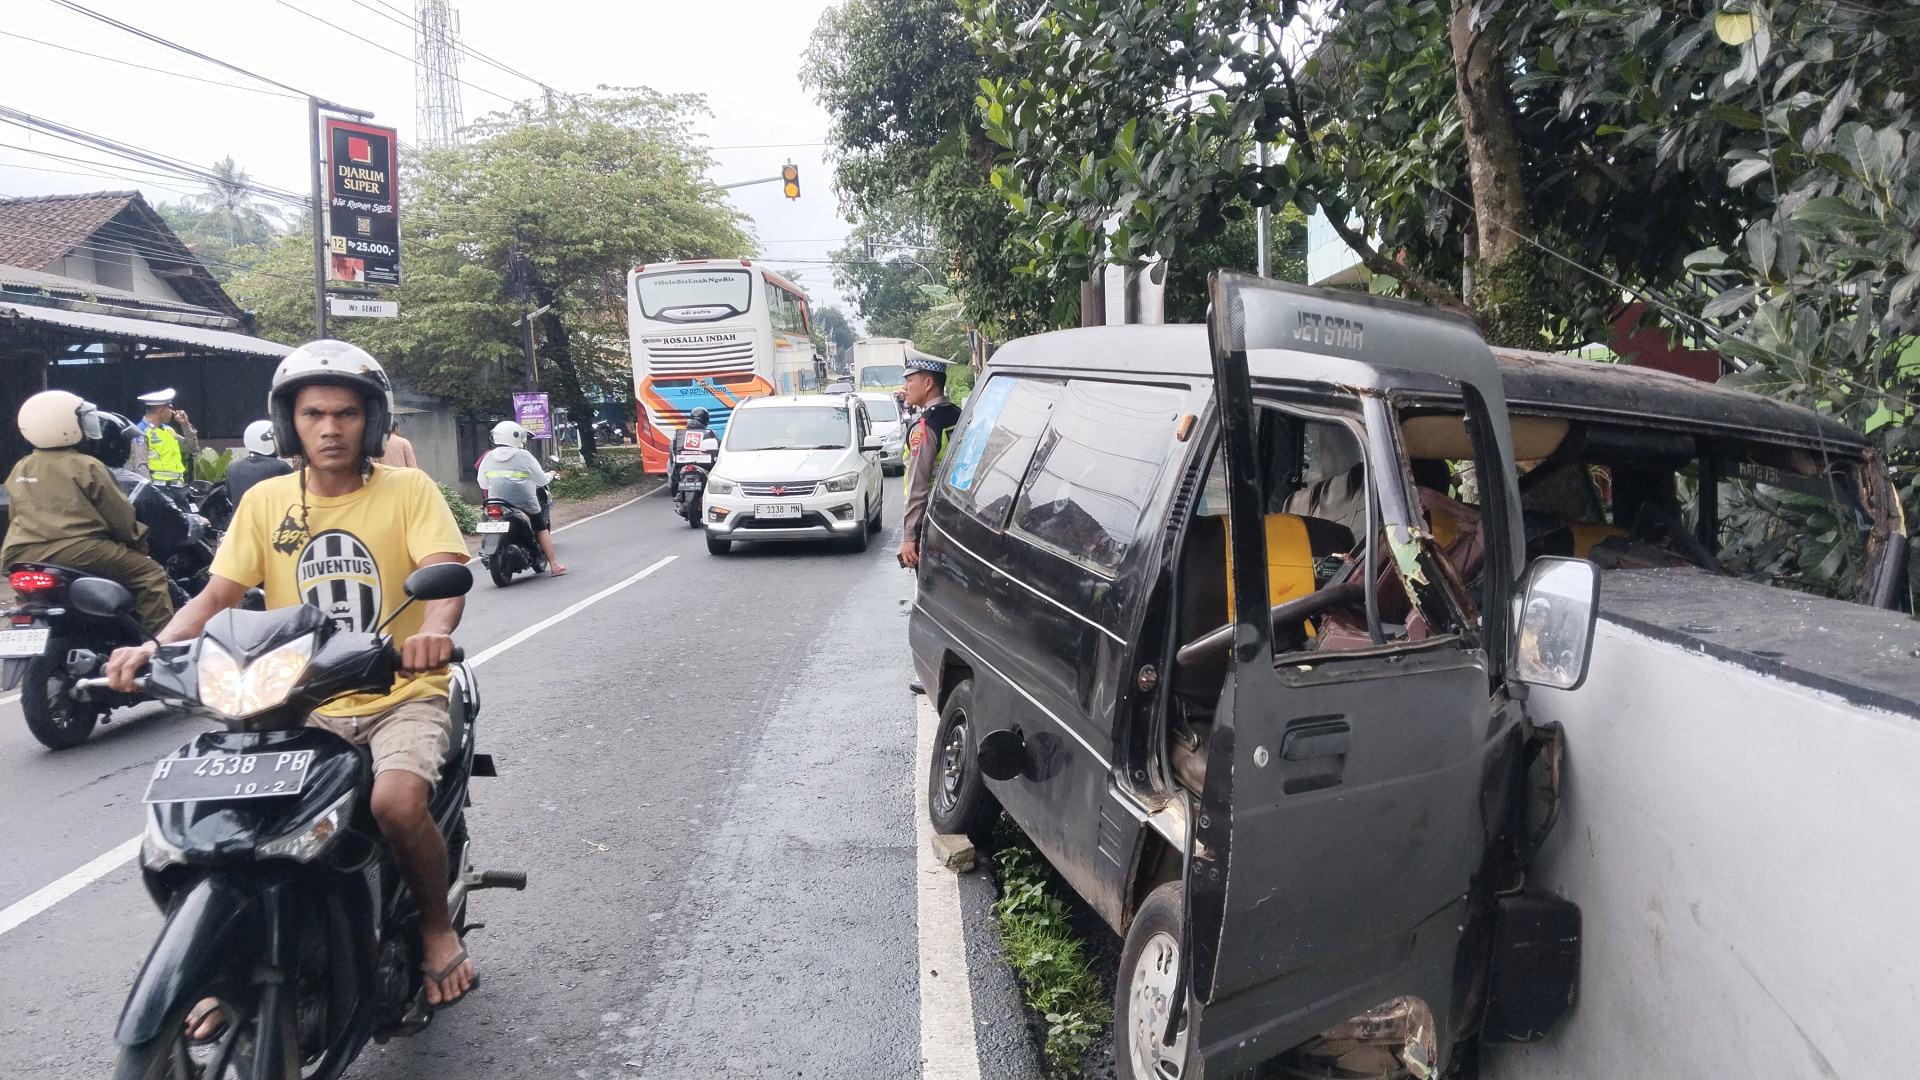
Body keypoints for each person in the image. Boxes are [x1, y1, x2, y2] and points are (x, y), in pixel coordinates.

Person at [104, 340, 477, 1011]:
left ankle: (435, 926)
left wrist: (433, 633)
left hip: (399, 692)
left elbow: (444, 570)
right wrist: (152, 647)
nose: (330, 428)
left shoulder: (408, 489)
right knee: (223, 818)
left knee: (395, 803)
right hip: (295, 697)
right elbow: (217, 596)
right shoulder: (266, 500)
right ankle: (218, 957)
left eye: (345, 413)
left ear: (371, 420)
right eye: (313, 415)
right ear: (290, 423)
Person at [2, 391, 174, 634]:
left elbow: (16, 514)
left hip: (20, 554)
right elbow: (120, 516)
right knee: (151, 575)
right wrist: (137, 541)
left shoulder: (22, 466)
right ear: (66, 426)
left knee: (30, 601)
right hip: (80, 551)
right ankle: (162, 647)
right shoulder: (87, 464)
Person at [897, 355, 962, 571]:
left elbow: (918, 486)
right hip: (958, 518)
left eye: (909, 380)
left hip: (932, 522)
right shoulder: (959, 416)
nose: (905, 387)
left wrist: (909, 536)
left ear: (928, 384)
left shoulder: (925, 428)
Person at [478, 420, 566, 576]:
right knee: (540, 528)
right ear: (517, 436)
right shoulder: (523, 455)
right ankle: (554, 565)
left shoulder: (488, 456)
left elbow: (482, 483)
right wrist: (550, 475)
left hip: (497, 504)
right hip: (524, 503)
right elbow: (541, 480)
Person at [130, 388, 198, 485]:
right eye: (170, 408)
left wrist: (185, 425)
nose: (172, 412)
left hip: (177, 487)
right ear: (162, 411)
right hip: (158, 488)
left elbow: (192, 448)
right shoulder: (141, 431)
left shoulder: (168, 430)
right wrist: (150, 490)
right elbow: (141, 467)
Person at [225, 419, 293, 507]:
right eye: (275, 438)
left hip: (240, 516)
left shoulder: (233, 467)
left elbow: (230, 497)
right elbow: (296, 496)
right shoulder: (280, 467)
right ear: (264, 440)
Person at [669, 407, 713, 491]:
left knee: (670, 464)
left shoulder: (680, 434)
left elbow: (672, 448)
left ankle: (674, 486)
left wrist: (674, 463)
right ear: (706, 420)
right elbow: (719, 446)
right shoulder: (710, 433)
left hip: (683, 464)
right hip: (704, 466)